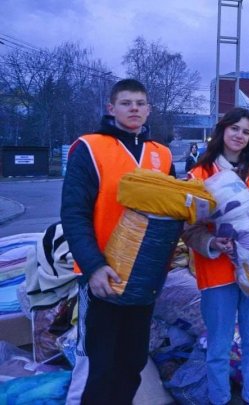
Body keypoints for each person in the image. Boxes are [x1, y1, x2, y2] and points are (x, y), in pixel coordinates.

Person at [61, 79, 175, 404]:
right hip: (103, 275)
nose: (134, 108)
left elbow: (171, 212)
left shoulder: (161, 154)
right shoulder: (89, 147)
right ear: (111, 108)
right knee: (100, 365)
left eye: (140, 103)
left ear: (149, 109)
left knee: (131, 362)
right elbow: (73, 214)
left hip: (144, 278)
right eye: (126, 103)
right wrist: (94, 267)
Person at [182, 107, 249, 405]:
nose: (239, 135)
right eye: (234, 128)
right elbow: (189, 228)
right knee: (219, 347)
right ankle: (220, 399)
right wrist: (212, 242)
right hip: (217, 273)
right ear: (222, 130)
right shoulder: (199, 175)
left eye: (246, 131)